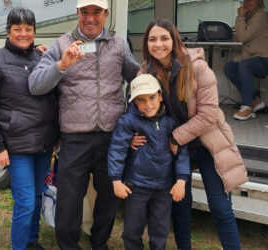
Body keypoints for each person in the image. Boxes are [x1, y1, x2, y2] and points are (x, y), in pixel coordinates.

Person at [28, 0, 141, 248]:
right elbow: (35, 84)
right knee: (69, 198)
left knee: (109, 195)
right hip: (74, 135)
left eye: (97, 12)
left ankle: (100, 242)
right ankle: (68, 245)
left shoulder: (118, 44)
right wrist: (61, 66)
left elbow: (138, 79)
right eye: (85, 12)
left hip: (112, 136)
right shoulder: (61, 44)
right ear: (77, 13)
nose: (91, 18)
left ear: (106, 14)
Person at [132, 18, 248, 250]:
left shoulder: (197, 67)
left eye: (164, 38)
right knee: (180, 205)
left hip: (207, 143)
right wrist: (131, 135)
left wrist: (176, 137)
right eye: (152, 39)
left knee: (220, 207)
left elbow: (209, 115)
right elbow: (135, 108)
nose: (158, 44)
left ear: (174, 40)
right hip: (176, 149)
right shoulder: (145, 71)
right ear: (146, 44)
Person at [0, 8, 59, 250]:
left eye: (28, 29)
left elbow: (54, 97)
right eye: (18, 29)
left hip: (43, 144)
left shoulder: (41, 57)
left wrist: (58, 135)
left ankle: (32, 241)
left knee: (35, 196)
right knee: (24, 201)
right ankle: (20, 246)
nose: (23, 34)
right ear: (8, 31)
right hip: (17, 145)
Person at [108, 74, 190, 250]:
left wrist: (181, 181)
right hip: (136, 186)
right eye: (141, 100)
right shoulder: (128, 122)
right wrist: (116, 180)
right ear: (134, 102)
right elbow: (117, 150)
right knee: (132, 228)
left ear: (160, 96)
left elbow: (182, 153)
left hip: (164, 187)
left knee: (160, 229)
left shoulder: (171, 122)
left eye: (152, 97)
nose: (148, 104)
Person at [224, 0, 268, 120]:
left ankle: (247, 107)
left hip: (264, 57)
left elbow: (243, 36)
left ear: (259, 2)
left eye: (251, 0)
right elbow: (239, 37)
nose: (247, 3)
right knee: (229, 68)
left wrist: (240, 17)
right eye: (246, 0)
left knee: (245, 65)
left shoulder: (261, 15)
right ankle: (255, 100)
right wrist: (241, 25)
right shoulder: (250, 16)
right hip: (253, 56)